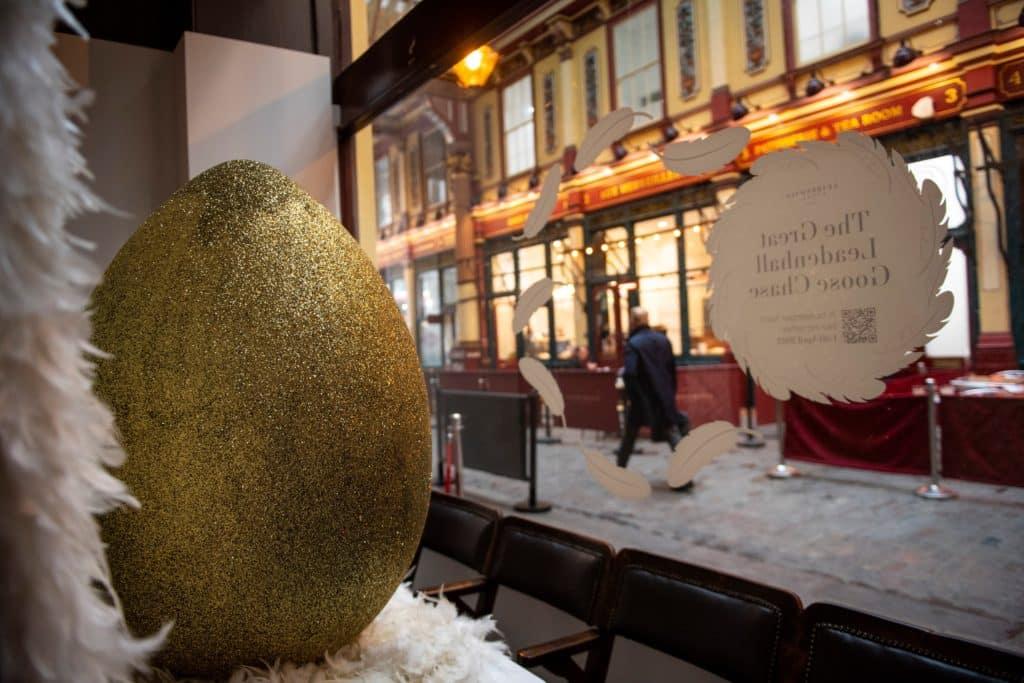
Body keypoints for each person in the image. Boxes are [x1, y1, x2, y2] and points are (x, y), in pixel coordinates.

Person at [616, 307, 691, 476]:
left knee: (630, 436)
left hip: (643, 398)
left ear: (633, 322)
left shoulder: (633, 344)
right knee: (670, 430)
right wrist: (670, 392)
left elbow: (630, 373)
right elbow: (671, 370)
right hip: (663, 395)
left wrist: (633, 396)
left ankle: (619, 470)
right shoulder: (663, 340)